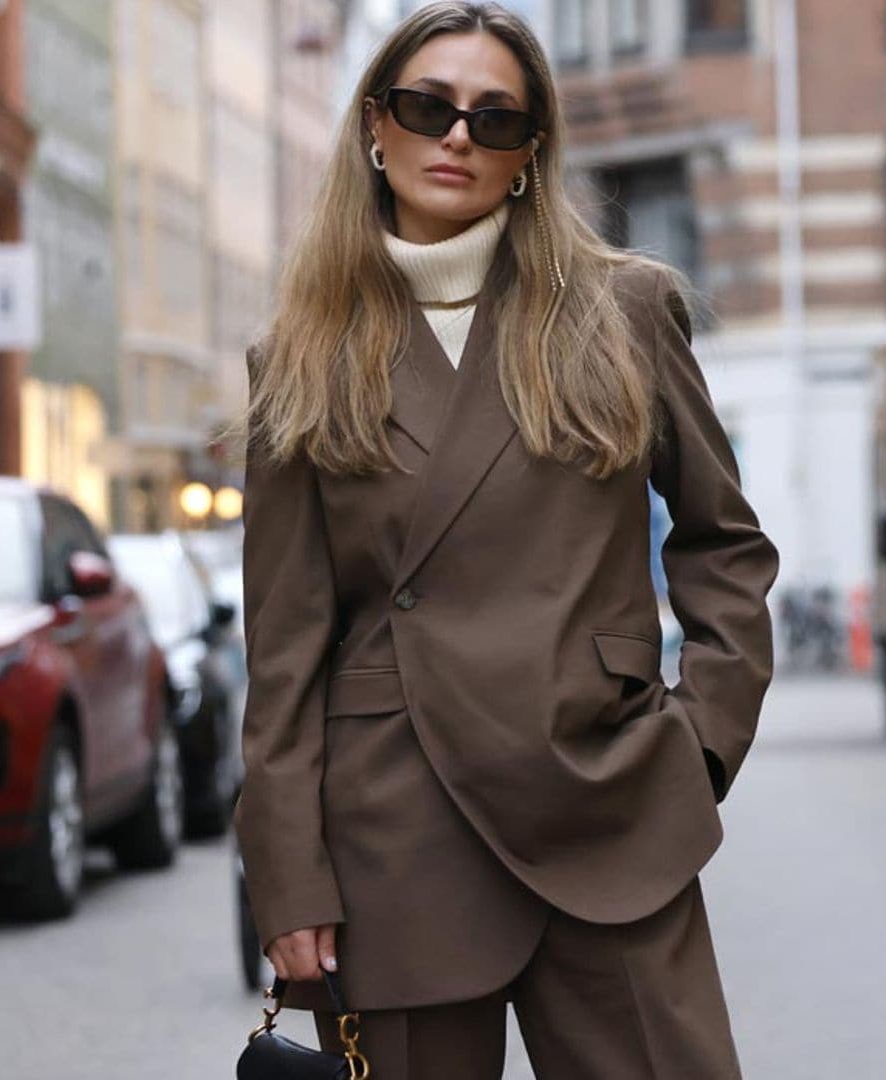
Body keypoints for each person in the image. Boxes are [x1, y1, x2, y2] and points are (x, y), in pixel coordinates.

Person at [235, 3, 777, 1076]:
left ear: (530, 156)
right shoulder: (300, 356)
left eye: (495, 119)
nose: (456, 138)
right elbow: (285, 652)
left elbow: (724, 546)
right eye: (427, 107)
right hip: (398, 825)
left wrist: (700, 741)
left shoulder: (622, 310)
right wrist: (289, 876)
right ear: (373, 130)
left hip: (607, 799)